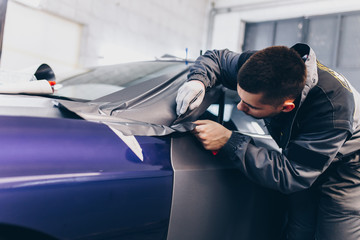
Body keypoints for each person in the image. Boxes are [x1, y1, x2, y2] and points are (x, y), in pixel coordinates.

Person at [175, 43, 360, 240]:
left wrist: (229, 140)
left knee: (336, 232)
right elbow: (217, 59)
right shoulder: (260, 66)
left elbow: (294, 175)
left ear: (286, 107)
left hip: (347, 164)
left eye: (249, 106)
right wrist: (198, 81)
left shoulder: (332, 110)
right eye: (240, 98)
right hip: (302, 150)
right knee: (300, 228)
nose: (239, 107)